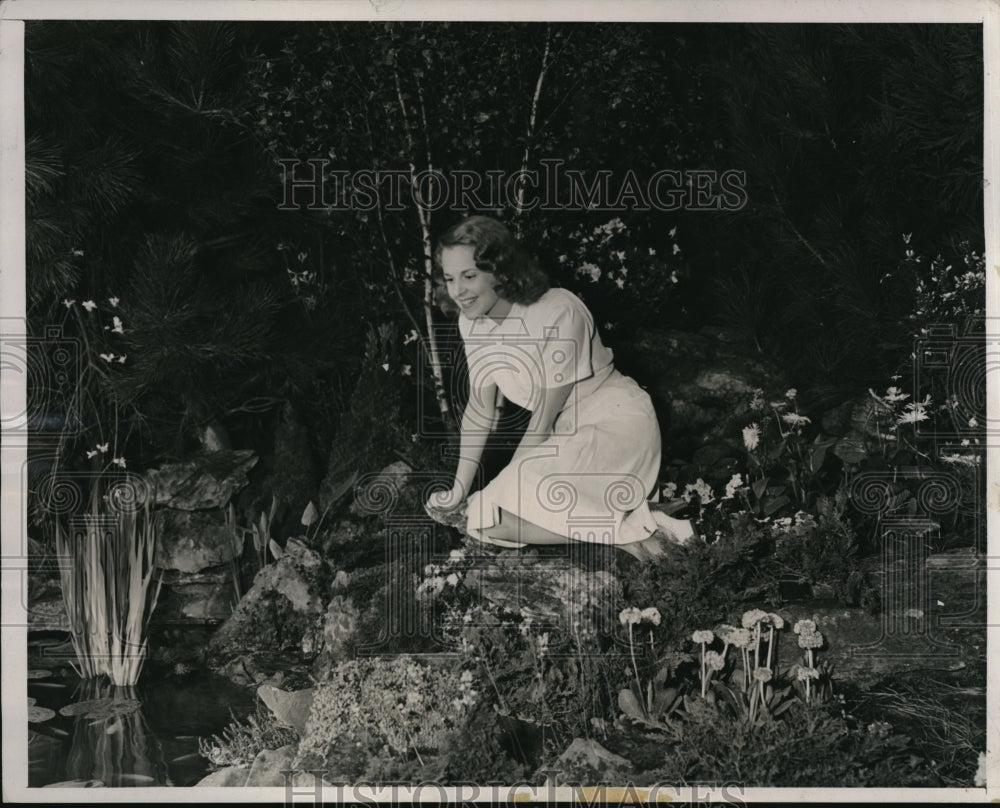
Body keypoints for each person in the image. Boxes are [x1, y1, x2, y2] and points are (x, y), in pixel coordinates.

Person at [424, 215, 693, 561]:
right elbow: (480, 409)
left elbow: (542, 423)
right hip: (565, 439)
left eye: (469, 276)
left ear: (500, 271)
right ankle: (633, 532)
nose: (457, 291)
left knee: (499, 499)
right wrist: (458, 489)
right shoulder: (472, 323)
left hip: (616, 427)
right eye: (449, 278)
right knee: (480, 519)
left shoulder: (558, 311)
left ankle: (635, 524)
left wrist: (506, 484)